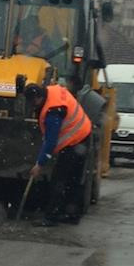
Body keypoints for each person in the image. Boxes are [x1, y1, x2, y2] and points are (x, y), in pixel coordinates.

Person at [24, 83, 92, 226]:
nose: (33, 106)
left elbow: (50, 142)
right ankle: (72, 215)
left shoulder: (53, 112)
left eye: (33, 102)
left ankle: (51, 217)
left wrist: (39, 164)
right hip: (83, 132)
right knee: (74, 179)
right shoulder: (51, 90)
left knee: (59, 180)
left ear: (38, 97)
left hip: (76, 141)